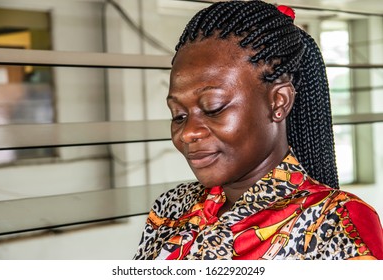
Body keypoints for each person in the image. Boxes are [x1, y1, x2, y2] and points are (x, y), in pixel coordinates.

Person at [134, 0, 383, 260]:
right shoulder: (171, 208)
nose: (187, 133)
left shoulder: (335, 222)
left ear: (279, 102)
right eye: (179, 115)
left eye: (213, 108)